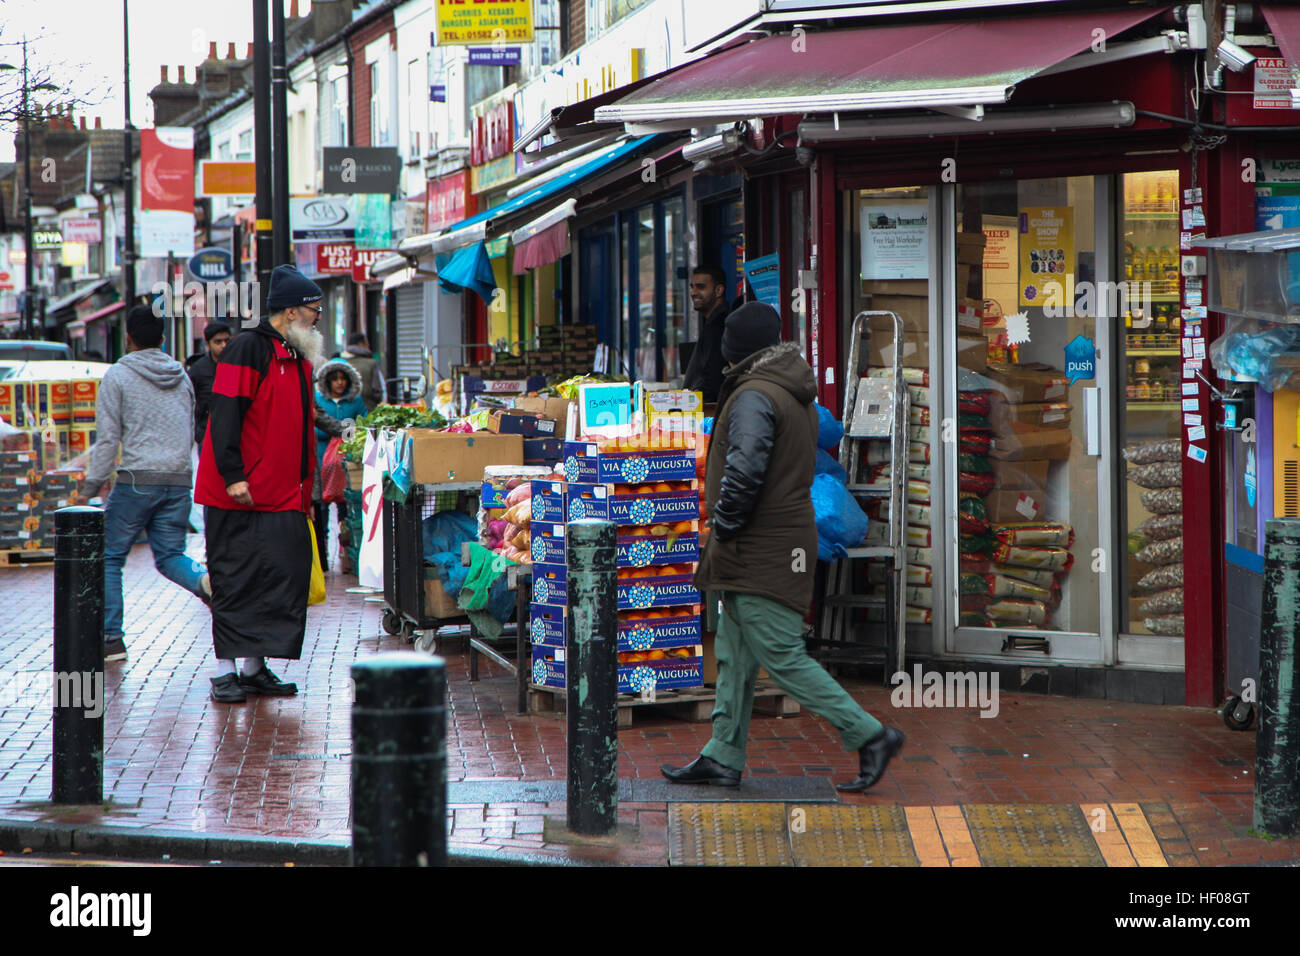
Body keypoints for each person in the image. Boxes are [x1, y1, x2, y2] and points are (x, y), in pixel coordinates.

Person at [661, 302, 904, 793]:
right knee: (734, 652)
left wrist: (725, 523)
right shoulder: (788, 390)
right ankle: (723, 755)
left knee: (781, 654)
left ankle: (870, 734)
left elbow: (746, 467)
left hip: (760, 545)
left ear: (740, 348)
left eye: (728, 341)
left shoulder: (754, 394)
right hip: (769, 541)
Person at [195, 264, 324, 704]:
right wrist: (233, 475)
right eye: (313, 310)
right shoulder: (249, 349)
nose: (316, 318)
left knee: (277, 577)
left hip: (282, 493)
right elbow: (225, 412)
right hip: (241, 492)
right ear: (289, 312)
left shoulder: (296, 356)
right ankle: (224, 671)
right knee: (235, 579)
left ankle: (253, 667)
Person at [81, 305, 211, 664]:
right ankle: (204, 582)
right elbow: (187, 427)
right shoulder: (181, 376)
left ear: (128, 338)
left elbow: (108, 440)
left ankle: (111, 639)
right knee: (170, 556)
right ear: (164, 339)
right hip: (178, 479)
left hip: (137, 478)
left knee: (108, 557)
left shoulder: (118, 376)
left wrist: (90, 487)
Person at [312, 359, 365, 571]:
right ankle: (321, 550)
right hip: (321, 460)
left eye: (343, 379)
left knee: (346, 506)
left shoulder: (356, 401)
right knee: (322, 507)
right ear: (327, 382)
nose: (340, 383)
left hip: (346, 462)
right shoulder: (318, 400)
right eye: (335, 379)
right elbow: (315, 426)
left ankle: (346, 551)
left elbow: (364, 422)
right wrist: (335, 430)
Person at [682, 265, 730, 403]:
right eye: (692, 287)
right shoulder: (712, 324)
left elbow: (714, 378)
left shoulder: (720, 326)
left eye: (701, 287)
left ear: (719, 290)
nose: (693, 292)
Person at [188, 321, 231, 448]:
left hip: (232, 436)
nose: (224, 345)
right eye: (218, 342)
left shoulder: (238, 365)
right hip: (207, 437)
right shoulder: (198, 370)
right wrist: (199, 435)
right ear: (207, 344)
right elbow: (189, 403)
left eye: (227, 341)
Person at [341, 333, 385, 411]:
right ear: (361, 344)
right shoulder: (371, 363)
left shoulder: (340, 362)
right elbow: (378, 391)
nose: (368, 347)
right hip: (367, 410)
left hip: (343, 411)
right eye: (367, 344)